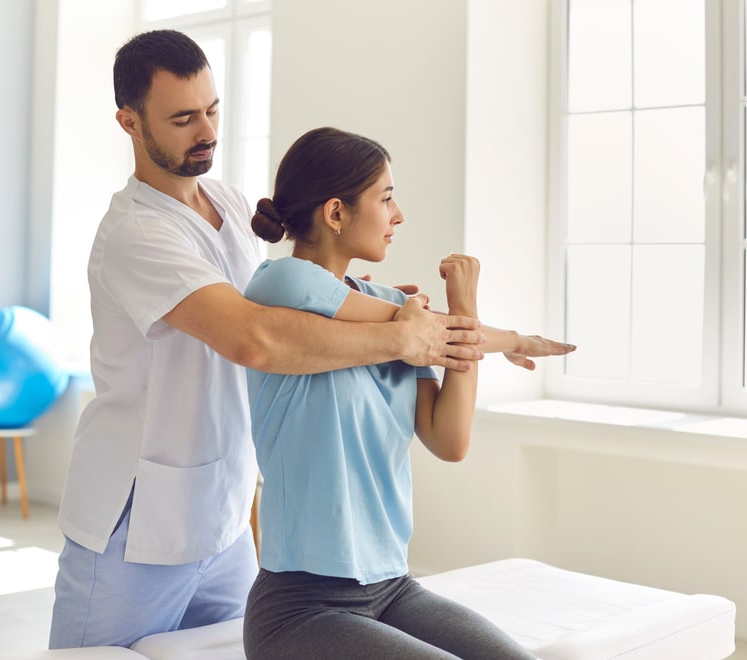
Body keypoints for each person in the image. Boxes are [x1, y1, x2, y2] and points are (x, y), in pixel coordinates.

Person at [48, 30, 496, 650]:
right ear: (129, 122)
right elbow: (255, 339)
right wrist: (402, 337)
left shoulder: (231, 207)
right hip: (132, 524)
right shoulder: (137, 232)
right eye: (182, 118)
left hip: (226, 518)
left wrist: (386, 308)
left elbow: (299, 300)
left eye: (212, 110)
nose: (205, 130)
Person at [243, 127, 574, 658]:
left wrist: (463, 316)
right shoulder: (278, 286)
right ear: (335, 213)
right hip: (300, 606)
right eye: (386, 198)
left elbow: (450, 441)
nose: (399, 215)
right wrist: (483, 330)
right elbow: (431, 329)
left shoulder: (401, 315)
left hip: (393, 588)